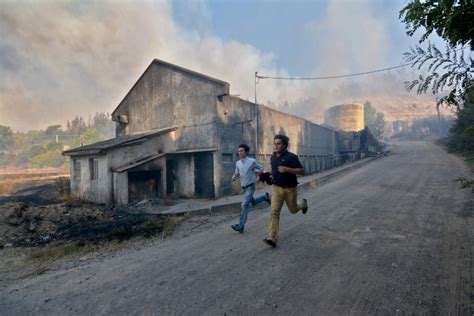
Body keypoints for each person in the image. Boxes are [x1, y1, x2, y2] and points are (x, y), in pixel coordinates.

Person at [264, 134, 308, 248]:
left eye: (278, 144)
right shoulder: (273, 157)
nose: (276, 146)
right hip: (277, 189)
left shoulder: (292, 157)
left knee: (293, 210)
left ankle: (303, 203)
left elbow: (302, 171)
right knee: (274, 212)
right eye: (275, 143)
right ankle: (272, 238)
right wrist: (266, 175)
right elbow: (273, 170)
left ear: (284, 145)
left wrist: (286, 169)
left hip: (290, 189)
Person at [231, 144, 271, 233]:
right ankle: (265, 197)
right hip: (244, 187)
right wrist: (234, 176)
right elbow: (237, 172)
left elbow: (260, 167)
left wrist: (258, 175)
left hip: (250, 186)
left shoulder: (252, 161)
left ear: (246, 152)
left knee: (244, 204)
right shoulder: (238, 163)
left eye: (241, 151)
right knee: (252, 202)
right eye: (239, 151)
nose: (240, 152)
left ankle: (241, 226)